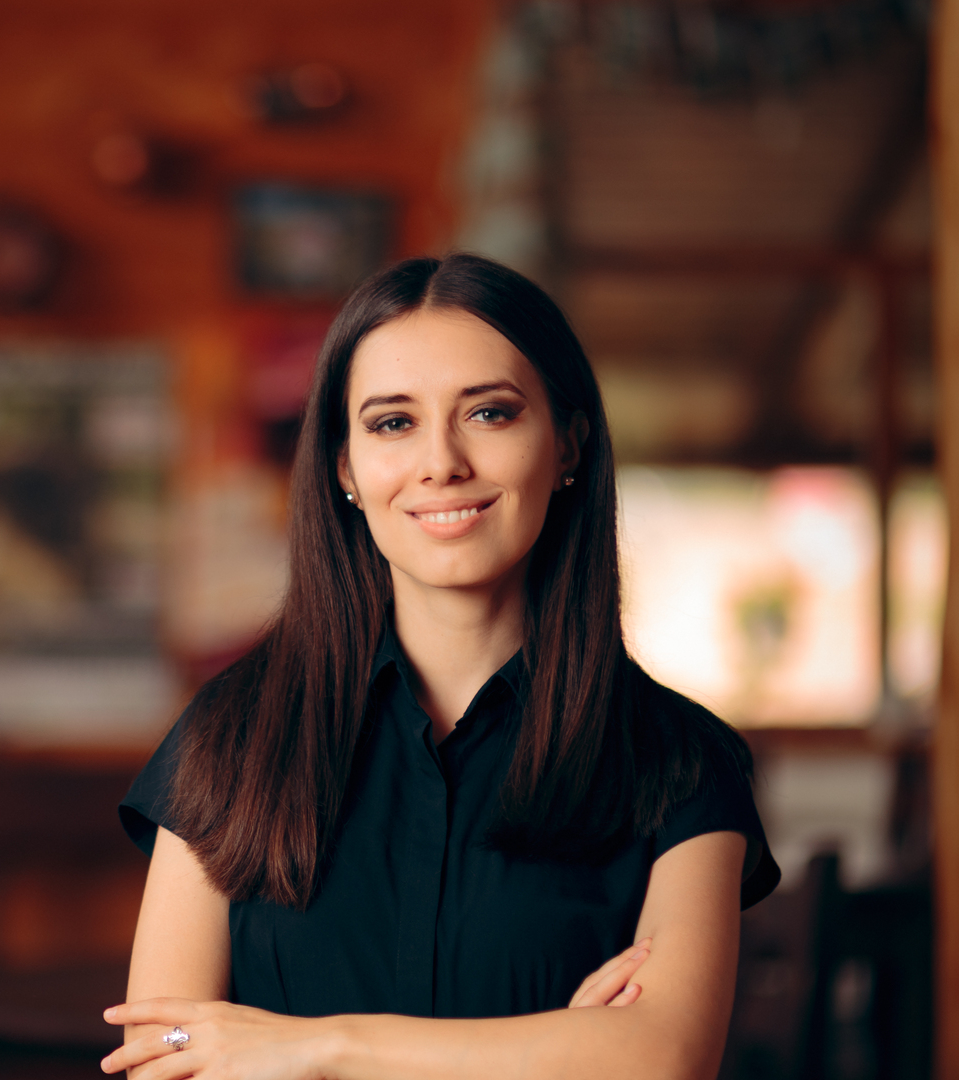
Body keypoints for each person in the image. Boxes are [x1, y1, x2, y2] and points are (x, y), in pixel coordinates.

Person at [104, 254, 780, 1080]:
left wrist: (314, 1048)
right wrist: (548, 1054)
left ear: (568, 443)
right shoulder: (232, 735)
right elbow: (159, 1059)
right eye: (393, 423)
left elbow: (662, 1059)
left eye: (490, 414)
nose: (441, 463)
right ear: (345, 467)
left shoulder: (680, 760)